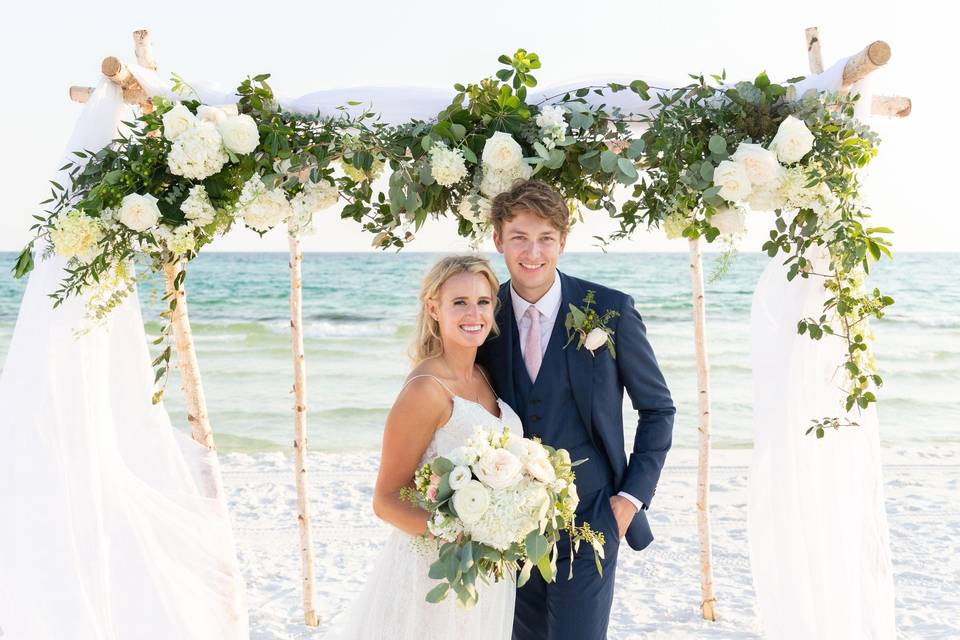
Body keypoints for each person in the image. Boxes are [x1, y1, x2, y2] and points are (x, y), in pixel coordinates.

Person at [476, 179, 675, 640]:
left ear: (563, 242)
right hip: (507, 519)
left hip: (594, 516)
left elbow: (658, 410)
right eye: (519, 237)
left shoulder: (610, 310)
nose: (533, 252)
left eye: (546, 238)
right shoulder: (484, 316)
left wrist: (629, 499)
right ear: (498, 240)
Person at [327, 254, 520, 639]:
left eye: (483, 302)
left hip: (483, 573)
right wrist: (459, 537)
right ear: (434, 308)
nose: (474, 314)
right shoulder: (426, 390)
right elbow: (385, 500)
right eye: (459, 302)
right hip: (436, 569)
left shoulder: (483, 375)